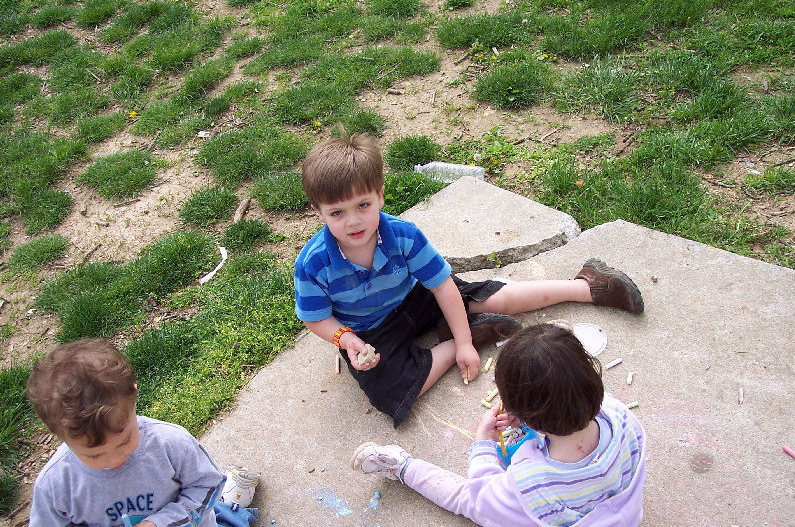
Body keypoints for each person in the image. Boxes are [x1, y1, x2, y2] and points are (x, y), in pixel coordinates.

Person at [294, 128, 644, 427]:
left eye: (363, 205)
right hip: (368, 329)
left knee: (492, 297)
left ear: (380, 195)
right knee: (390, 392)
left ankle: (587, 286)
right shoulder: (313, 263)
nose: (353, 221)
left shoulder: (403, 235)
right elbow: (315, 317)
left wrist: (463, 343)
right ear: (318, 211)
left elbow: (442, 286)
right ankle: (468, 336)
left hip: (416, 297)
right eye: (337, 213)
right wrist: (345, 339)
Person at [351, 323, 647, 526]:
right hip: (622, 515)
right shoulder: (620, 414)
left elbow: (483, 497)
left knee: (466, 498)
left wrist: (483, 444)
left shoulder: (531, 480)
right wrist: (531, 422)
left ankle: (403, 467)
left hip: (547, 512)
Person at [26, 338, 260, 527]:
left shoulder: (170, 443)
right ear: (60, 435)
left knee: (220, 509)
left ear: (134, 396)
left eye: (125, 441)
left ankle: (232, 498)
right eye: (95, 455)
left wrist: (159, 523)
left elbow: (208, 483)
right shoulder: (55, 486)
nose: (115, 460)